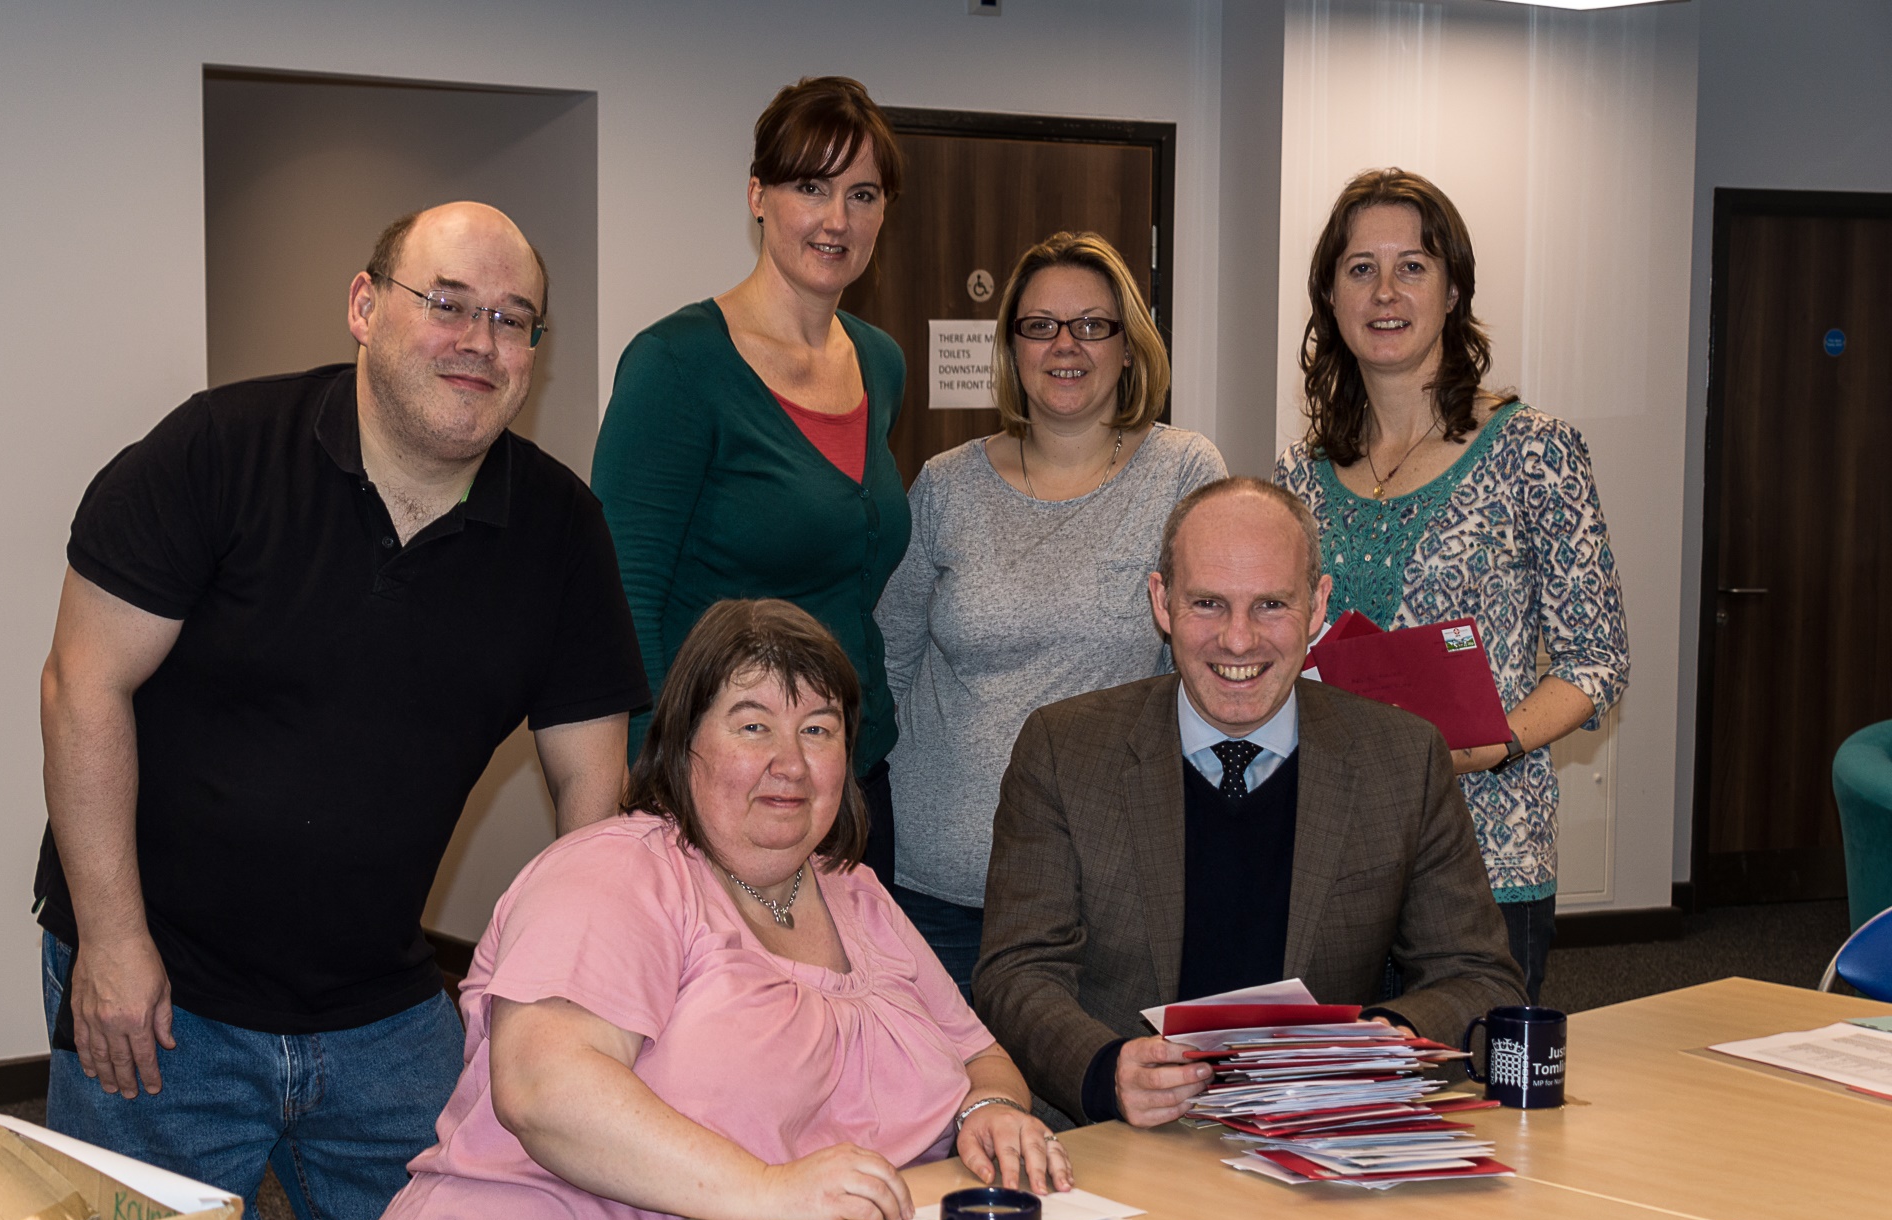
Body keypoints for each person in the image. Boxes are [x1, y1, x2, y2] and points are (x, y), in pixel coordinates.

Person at [33, 201, 651, 1220]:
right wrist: (113, 945)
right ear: (366, 307)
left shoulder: (559, 530)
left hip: (382, 1004)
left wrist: (581, 1000)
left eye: (514, 320)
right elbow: (84, 683)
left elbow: (588, 793)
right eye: (447, 303)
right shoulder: (217, 451)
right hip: (163, 988)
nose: (480, 340)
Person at [349, 600, 1069, 1220]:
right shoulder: (615, 871)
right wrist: (772, 1190)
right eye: (753, 727)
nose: (789, 761)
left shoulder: (856, 894)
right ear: (683, 741)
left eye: (817, 730)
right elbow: (545, 1090)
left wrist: (991, 1111)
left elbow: (980, 1057)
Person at [973, 477, 1527, 1129]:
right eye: (1208, 603)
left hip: (1319, 1132)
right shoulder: (1065, 750)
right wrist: (1103, 1070)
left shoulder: (1402, 758)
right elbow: (1016, 973)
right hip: (1116, 1138)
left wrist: (1384, 1039)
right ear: (1162, 602)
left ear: (1318, 606)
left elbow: (1480, 978)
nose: (1238, 641)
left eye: (1270, 605)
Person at [1272, 168, 1628, 1001]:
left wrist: (1497, 742)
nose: (1386, 291)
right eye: (1361, 268)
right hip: (1332, 859)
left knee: (1471, 1110)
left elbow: (1597, 657)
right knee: (1334, 1105)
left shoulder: (1536, 451)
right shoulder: (1297, 475)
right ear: (1330, 293)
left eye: (1414, 266)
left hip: (1485, 855)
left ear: (1454, 288)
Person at [876, 231, 1225, 997]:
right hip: (939, 888)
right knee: (942, 1112)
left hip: (1104, 887)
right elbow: (887, 664)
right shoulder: (944, 485)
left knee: (1092, 1107)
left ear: (1129, 347)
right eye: (1040, 325)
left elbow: (1207, 674)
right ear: (1012, 347)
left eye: (1092, 324)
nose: (1065, 346)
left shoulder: (1184, 472)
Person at [592, 76, 909, 886]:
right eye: (810, 186)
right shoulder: (677, 363)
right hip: (720, 789)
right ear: (758, 195)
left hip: (850, 774)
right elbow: (620, 598)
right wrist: (658, 788)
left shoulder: (880, 361)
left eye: (862, 193)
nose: (836, 219)